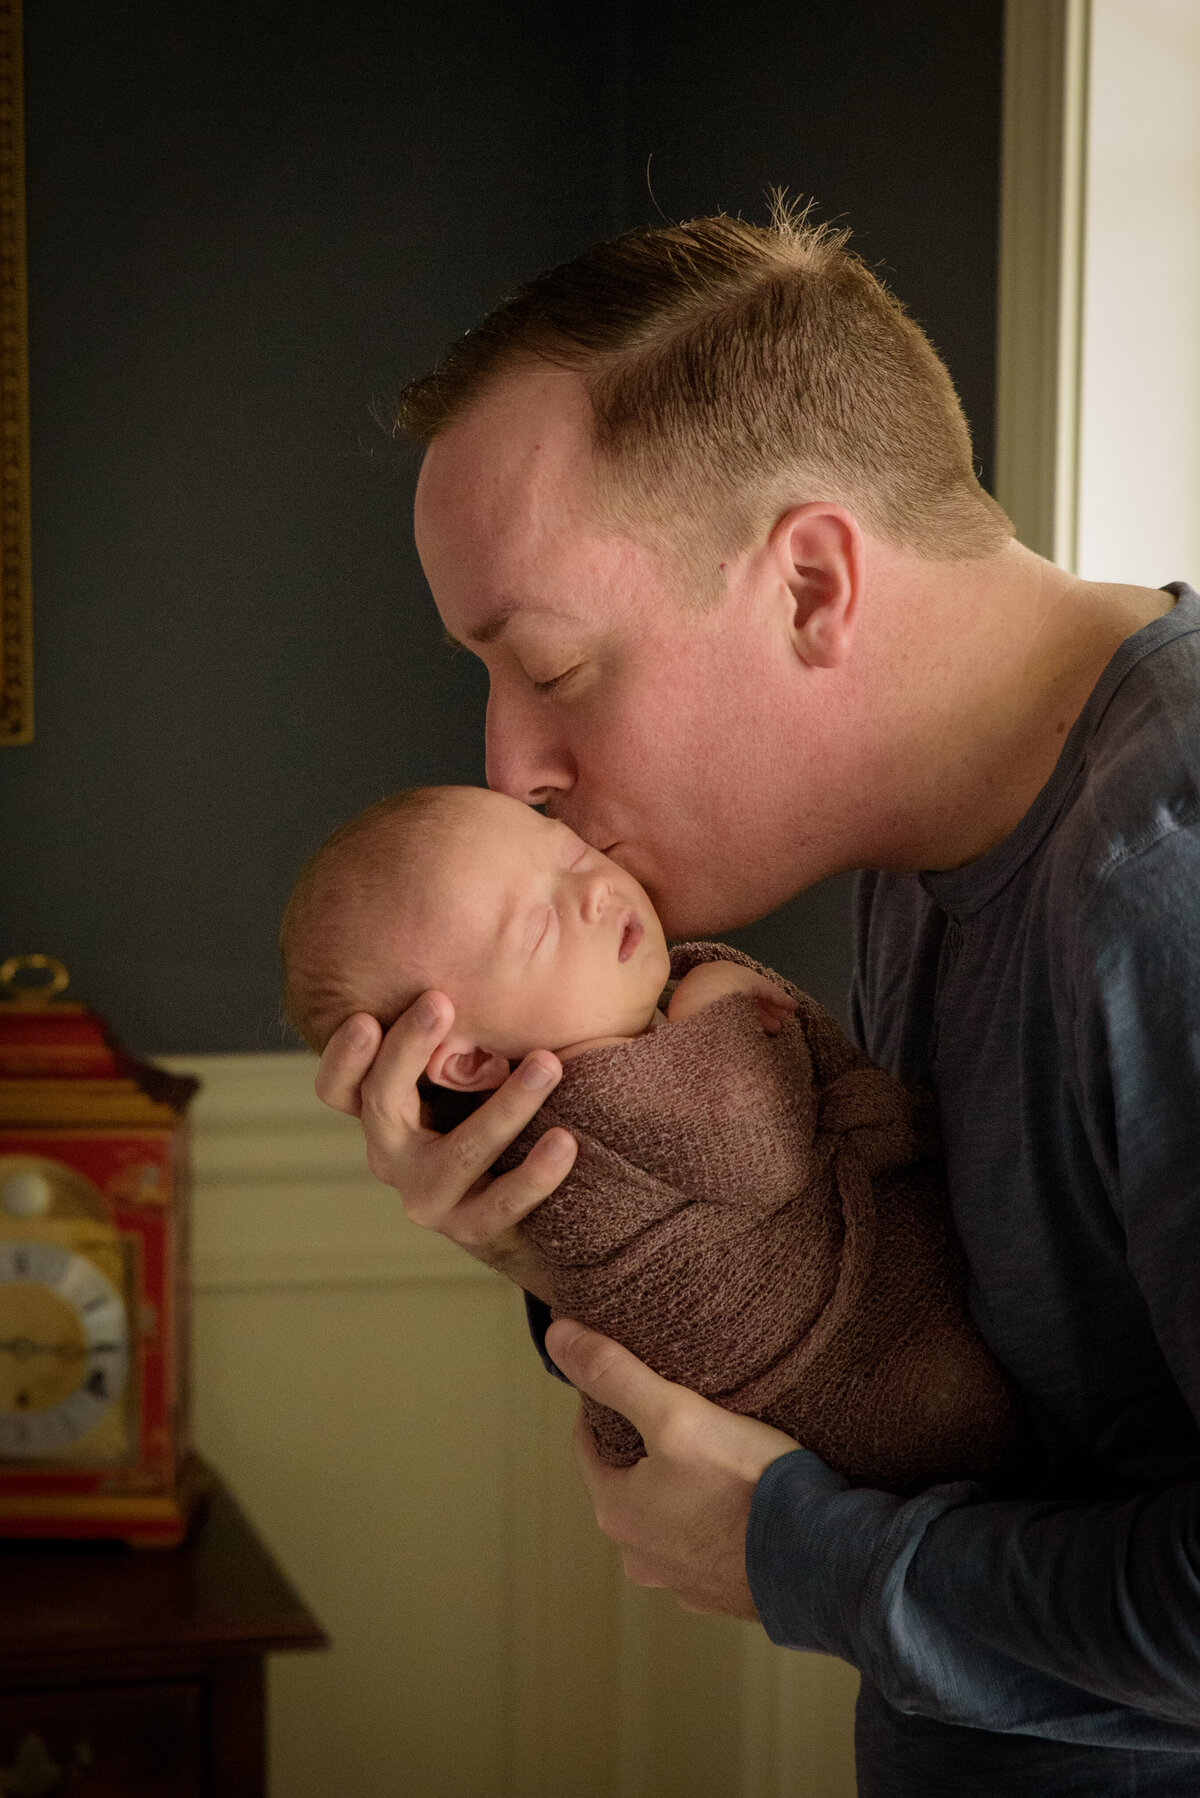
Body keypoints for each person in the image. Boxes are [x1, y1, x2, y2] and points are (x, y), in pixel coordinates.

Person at [314, 205, 1200, 1794]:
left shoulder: (1167, 875)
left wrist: (802, 1555)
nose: (510, 766)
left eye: (556, 668)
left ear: (807, 583)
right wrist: (548, 1204)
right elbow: (956, 1378)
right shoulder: (925, 846)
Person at [280, 782, 1023, 1495]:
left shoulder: (611, 1066)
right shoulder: (576, 1110)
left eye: (568, 850)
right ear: (471, 1062)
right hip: (871, 1389)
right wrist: (721, 1000)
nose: (596, 890)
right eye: (539, 925)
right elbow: (761, 1157)